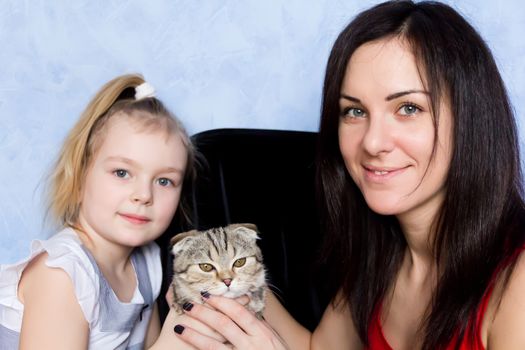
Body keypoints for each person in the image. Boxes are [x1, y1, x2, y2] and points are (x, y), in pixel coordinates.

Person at [156, 1, 525, 349]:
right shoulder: (382, 254)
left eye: (408, 108)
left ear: (472, 120)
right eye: (354, 112)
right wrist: (229, 282)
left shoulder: (518, 280)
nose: (373, 142)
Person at [0, 73, 195, 349]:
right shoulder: (63, 277)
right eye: (122, 172)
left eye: (164, 181)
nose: (143, 195)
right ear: (79, 178)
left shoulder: (147, 262)